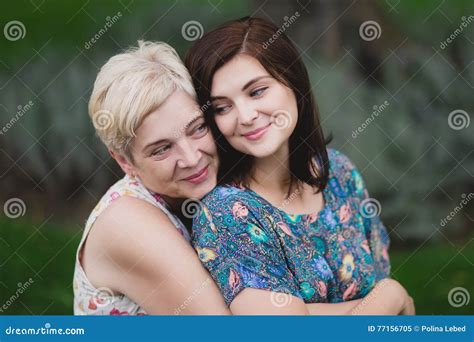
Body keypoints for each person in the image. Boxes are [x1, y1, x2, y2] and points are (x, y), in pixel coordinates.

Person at [186, 17, 415, 315]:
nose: (245, 115)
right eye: (222, 107)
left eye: (256, 91)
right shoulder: (227, 213)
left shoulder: (338, 170)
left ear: (293, 82)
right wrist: (389, 297)